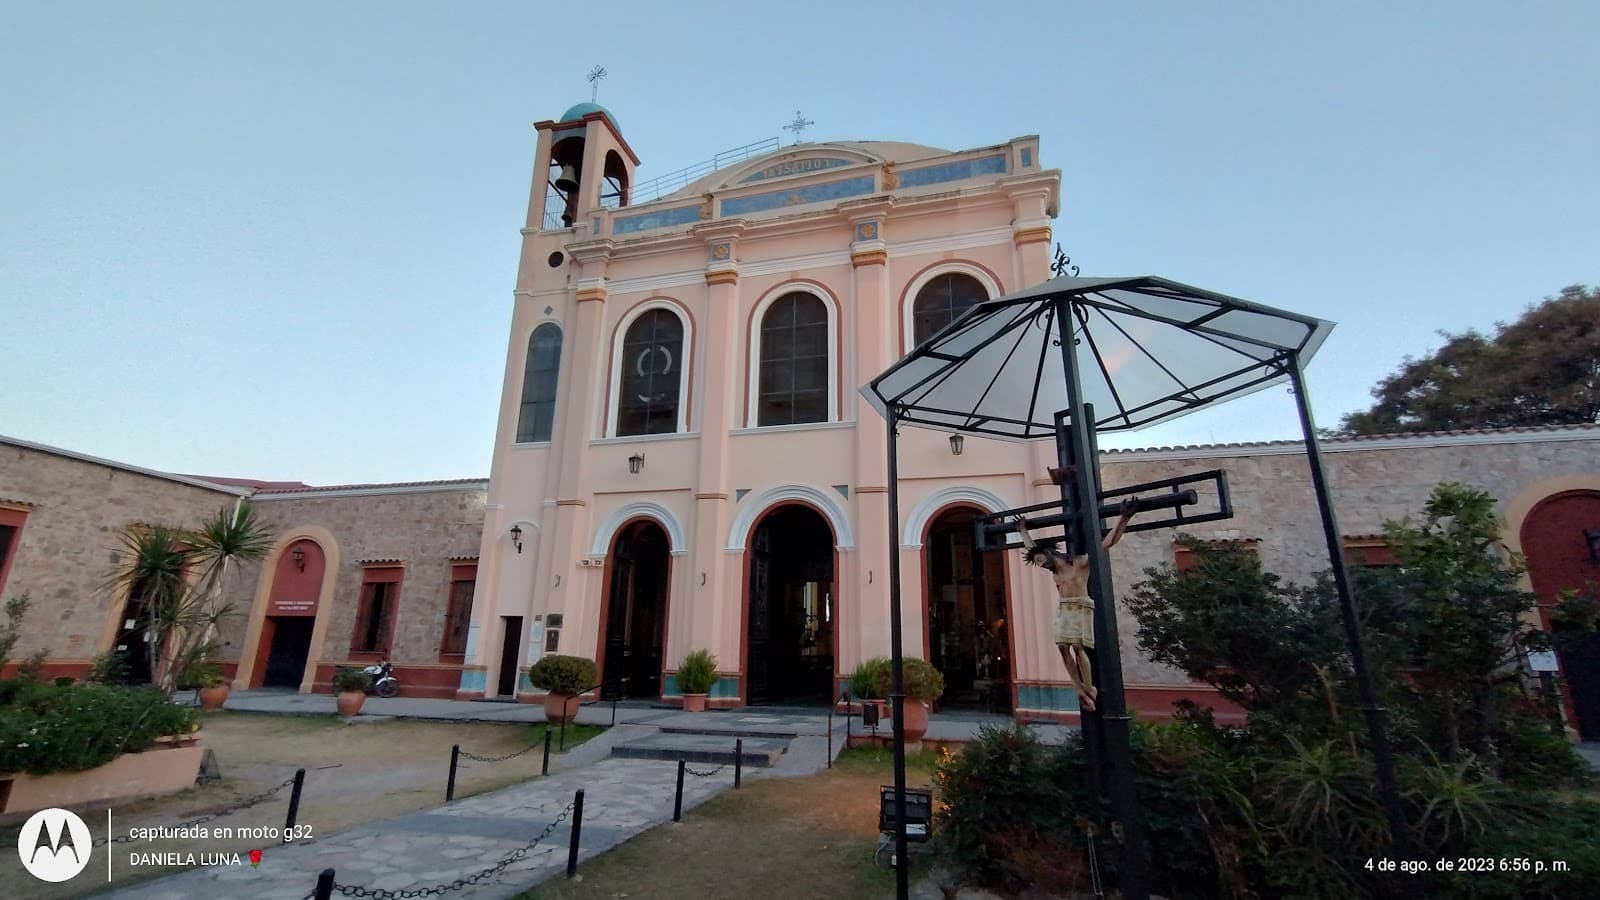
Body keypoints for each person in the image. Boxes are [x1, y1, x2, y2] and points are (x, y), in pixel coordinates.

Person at [1014, 497, 1139, 713]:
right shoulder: (1054, 569)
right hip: (1065, 608)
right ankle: (1078, 688)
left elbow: (1107, 543)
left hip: (1080, 605)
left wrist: (1124, 518)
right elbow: (1032, 548)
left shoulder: (1079, 563)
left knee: (1079, 647)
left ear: (1050, 554)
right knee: (1063, 647)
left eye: (1042, 561)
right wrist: (1023, 530)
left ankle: (1089, 687)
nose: (1042, 565)